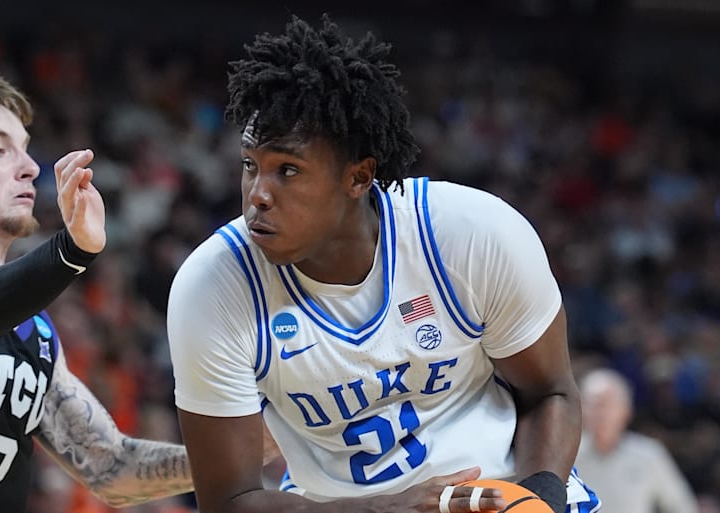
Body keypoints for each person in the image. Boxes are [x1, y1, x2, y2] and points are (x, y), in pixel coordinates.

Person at [167, 15, 601, 513]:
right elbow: (229, 502)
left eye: (287, 170)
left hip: (502, 489)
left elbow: (551, 392)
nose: (257, 196)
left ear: (358, 177)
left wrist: (538, 501)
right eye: (250, 166)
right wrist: (383, 509)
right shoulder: (213, 287)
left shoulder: (472, 234)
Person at [0, 70, 194, 512]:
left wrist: (269, 442)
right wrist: (72, 249)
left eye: (25, 148)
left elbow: (112, 467)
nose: (31, 167)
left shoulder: (33, 327)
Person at [573, 368, 697, 513]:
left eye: (607, 405)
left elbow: (682, 505)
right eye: (593, 405)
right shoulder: (568, 456)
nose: (600, 413)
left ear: (626, 411)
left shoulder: (649, 455)